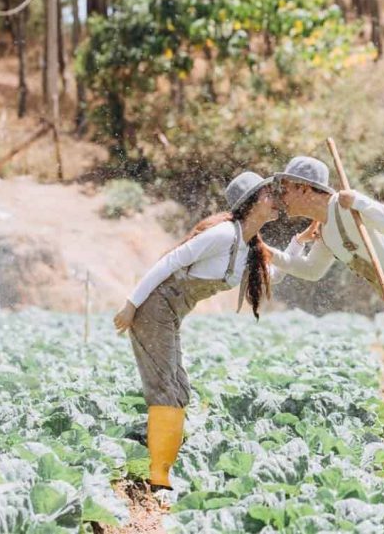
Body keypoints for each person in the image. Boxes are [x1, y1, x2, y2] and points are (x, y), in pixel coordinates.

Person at [269, 156, 384, 484]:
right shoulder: (324, 230)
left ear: (306, 189)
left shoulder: (345, 206)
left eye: (287, 188)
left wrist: (362, 202)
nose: (282, 196)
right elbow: (311, 270)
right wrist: (275, 254)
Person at [112, 171, 279, 491]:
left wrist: (304, 245)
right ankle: (158, 476)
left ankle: (164, 465)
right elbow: (170, 261)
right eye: (268, 195)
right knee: (165, 387)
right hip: (152, 308)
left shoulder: (248, 248)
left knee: (179, 387)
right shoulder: (223, 235)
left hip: (172, 315)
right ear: (252, 203)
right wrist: (131, 304)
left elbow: (277, 272)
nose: (275, 201)